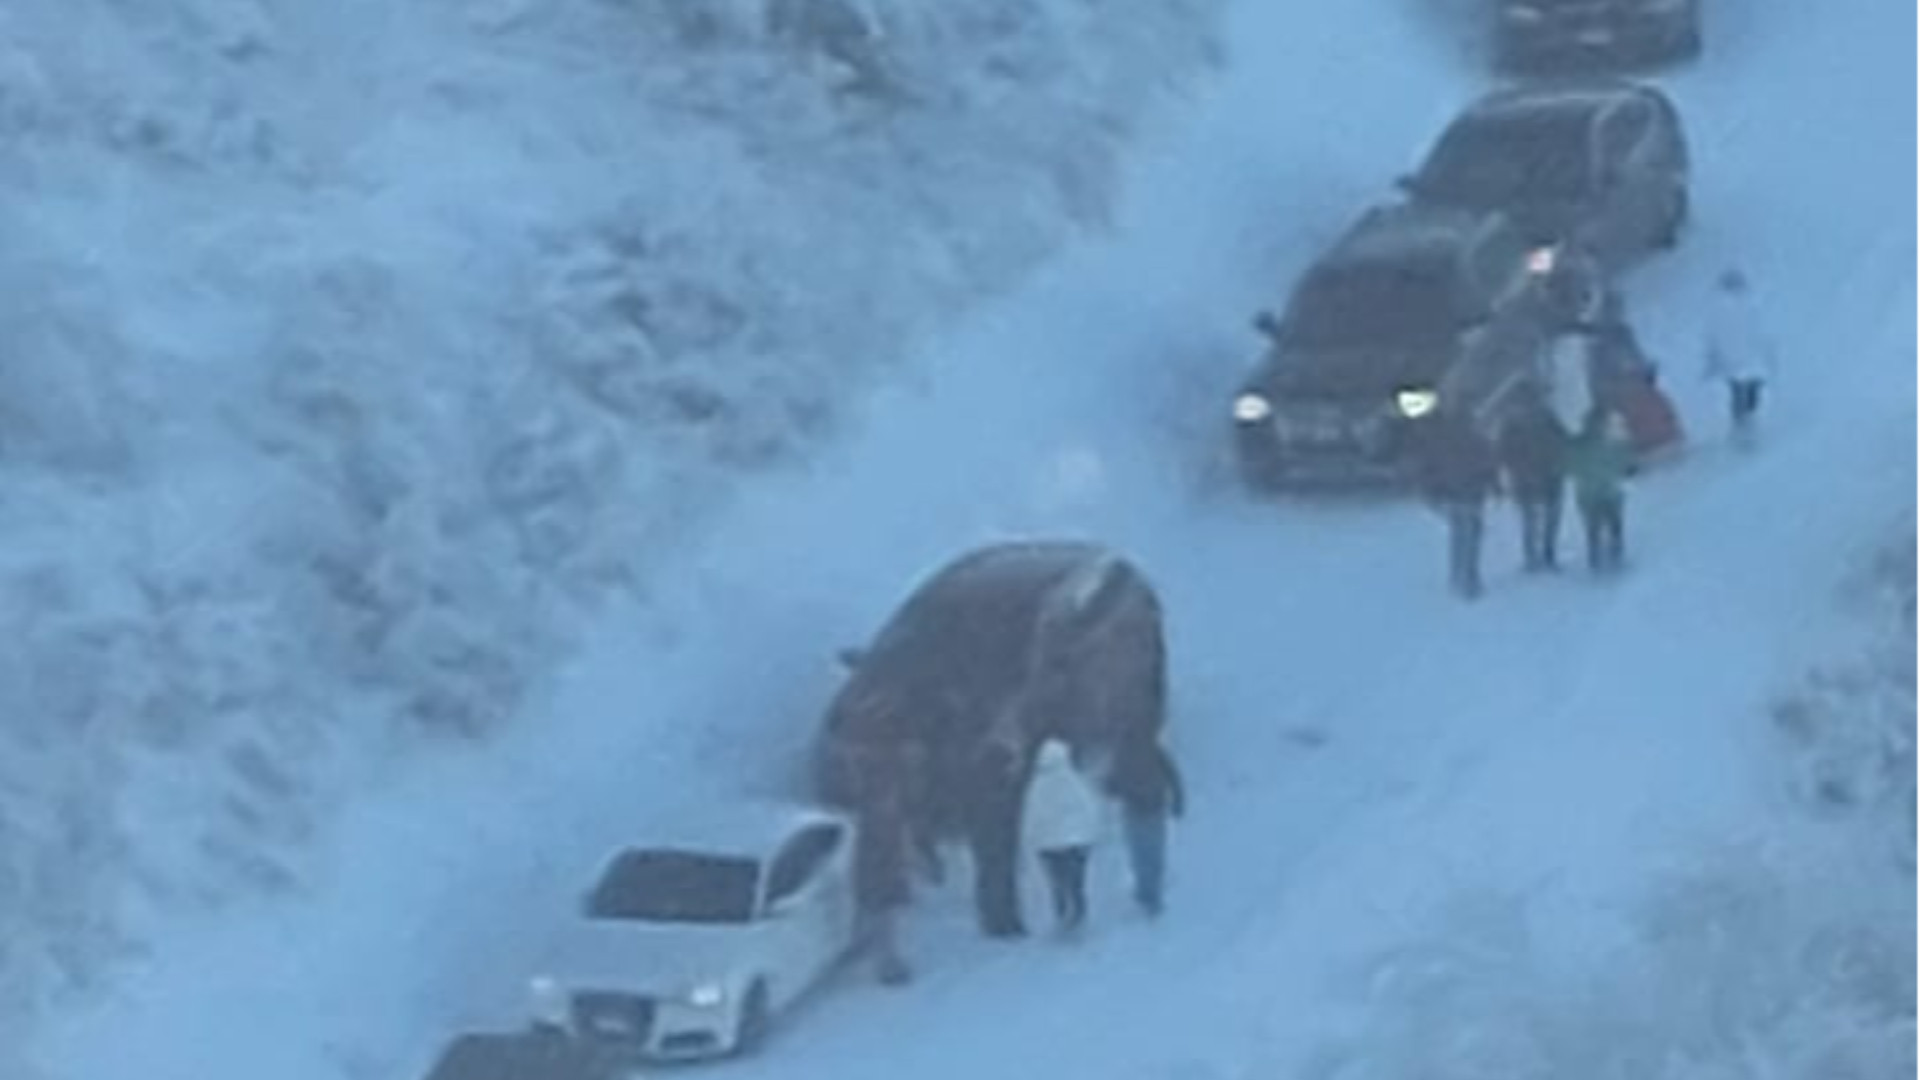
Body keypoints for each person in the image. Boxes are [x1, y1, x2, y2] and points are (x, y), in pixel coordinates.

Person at [1414, 408, 1501, 599]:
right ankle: (1470, 576)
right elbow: (1489, 464)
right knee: (1471, 535)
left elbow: (1428, 468)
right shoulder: (1478, 441)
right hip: (1472, 494)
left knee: (1460, 535)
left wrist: (1431, 492)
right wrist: (1495, 486)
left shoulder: (1440, 442)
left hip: (1451, 494)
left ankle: (1458, 574)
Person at [1021, 737, 1104, 935]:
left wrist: (1031, 838)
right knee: (1076, 880)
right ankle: (1078, 912)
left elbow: (1032, 814)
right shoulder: (1074, 780)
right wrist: (1091, 833)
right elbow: (1088, 807)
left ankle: (1061, 912)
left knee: (1056, 880)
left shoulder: (1037, 785)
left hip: (1049, 844)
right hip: (1076, 841)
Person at [850, 748, 913, 986]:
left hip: (883, 872)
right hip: (880, 874)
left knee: (878, 919)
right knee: (883, 922)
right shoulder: (877, 821)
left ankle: (876, 957)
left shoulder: (882, 817)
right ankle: (887, 967)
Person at [1104, 737, 1185, 917]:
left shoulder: (1121, 755)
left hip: (1132, 808)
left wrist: (1110, 789)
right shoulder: (1155, 750)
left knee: (1137, 851)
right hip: (1155, 806)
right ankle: (1153, 893)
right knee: (1155, 850)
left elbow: (1111, 785)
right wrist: (1178, 801)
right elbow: (1172, 774)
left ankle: (1143, 889)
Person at [1702, 268, 1779, 441]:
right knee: (1748, 393)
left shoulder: (1722, 308)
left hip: (1735, 362)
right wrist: (1769, 356)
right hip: (1748, 361)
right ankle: (1745, 426)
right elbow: (1764, 333)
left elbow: (1713, 337)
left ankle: (1742, 426)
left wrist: (1712, 359)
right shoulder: (1750, 305)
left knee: (1739, 394)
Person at [1496, 393, 1571, 572]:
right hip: (1548, 475)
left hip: (1527, 477)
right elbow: (1564, 441)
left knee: (1530, 519)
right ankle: (1547, 554)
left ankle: (1533, 556)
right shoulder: (1547, 419)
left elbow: (1502, 452)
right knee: (1548, 518)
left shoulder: (1511, 425)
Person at [1566, 405, 1635, 573]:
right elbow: (1626, 463)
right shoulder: (1609, 442)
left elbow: (1569, 466)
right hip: (1604, 491)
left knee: (1596, 527)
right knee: (1610, 525)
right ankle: (1611, 555)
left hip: (1591, 493)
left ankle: (1599, 557)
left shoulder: (1578, 444)